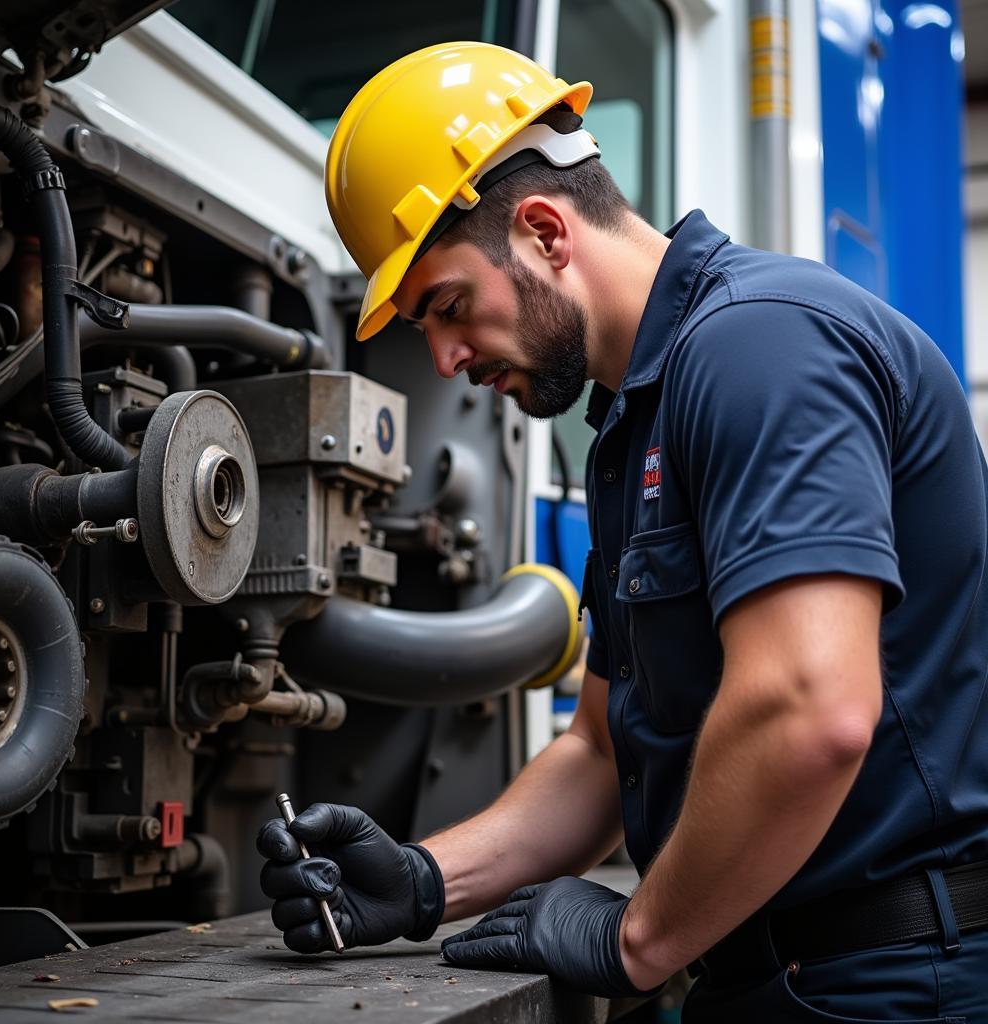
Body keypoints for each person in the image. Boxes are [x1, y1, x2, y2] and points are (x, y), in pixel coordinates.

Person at [257, 42, 988, 1019]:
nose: (441, 358)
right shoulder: (631, 424)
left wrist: (635, 936)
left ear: (546, 232)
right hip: (774, 974)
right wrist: (424, 880)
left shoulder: (757, 346)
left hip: (889, 979)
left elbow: (811, 708)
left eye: (447, 305)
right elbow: (601, 752)